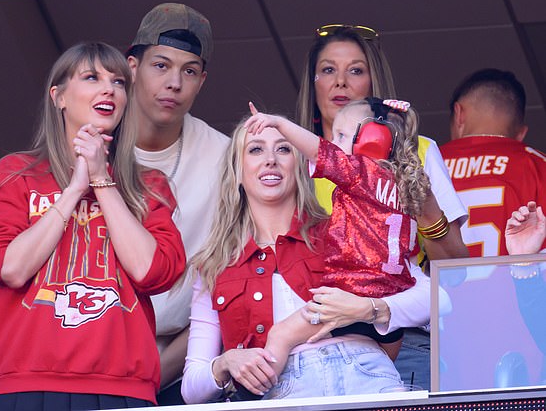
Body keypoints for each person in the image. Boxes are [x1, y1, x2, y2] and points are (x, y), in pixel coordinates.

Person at [0, 42, 186, 409]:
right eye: (92, 78)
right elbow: (11, 266)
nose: (109, 89)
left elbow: (152, 271)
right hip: (26, 382)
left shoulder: (149, 184)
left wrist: (103, 180)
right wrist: (74, 189)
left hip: (123, 387)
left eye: (119, 82)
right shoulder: (17, 173)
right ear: (59, 97)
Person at [181, 120, 432, 403]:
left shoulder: (344, 228)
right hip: (283, 390)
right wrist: (226, 362)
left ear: (300, 166)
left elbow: (434, 297)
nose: (271, 160)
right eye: (255, 150)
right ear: (237, 171)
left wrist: (370, 309)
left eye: (284, 149)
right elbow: (192, 388)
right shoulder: (214, 264)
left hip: (366, 372)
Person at [295, 24, 469, 390]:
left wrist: (425, 211)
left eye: (355, 70)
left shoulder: (417, 149)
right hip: (313, 342)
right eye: (328, 70)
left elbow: (455, 269)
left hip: (407, 337)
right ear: (313, 84)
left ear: (375, 83)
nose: (340, 82)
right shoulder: (290, 158)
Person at [245, 98, 436, 366]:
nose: (333, 143)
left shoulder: (360, 174)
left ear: (372, 140)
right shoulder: (406, 188)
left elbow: (318, 151)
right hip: (390, 318)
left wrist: (280, 124)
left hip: (349, 295)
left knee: (280, 335)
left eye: (342, 136)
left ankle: (253, 392)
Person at [124, 3, 230, 405]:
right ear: (132, 66)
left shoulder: (226, 158)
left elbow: (228, 283)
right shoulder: (91, 147)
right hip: (92, 356)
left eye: (189, 71)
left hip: (182, 363)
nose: (174, 83)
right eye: (161, 65)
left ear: (202, 80)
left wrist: (158, 374)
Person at [441, 68, 546, 257]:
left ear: (459, 114)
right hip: (517, 286)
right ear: (521, 133)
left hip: (439, 287)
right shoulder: (539, 167)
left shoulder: (423, 165)